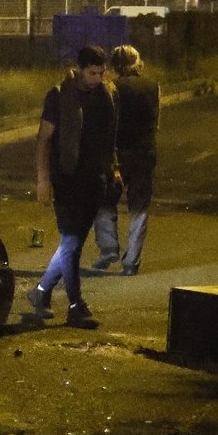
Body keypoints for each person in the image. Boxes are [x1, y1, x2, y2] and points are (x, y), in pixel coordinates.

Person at [25, 45, 118, 328]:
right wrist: (43, 179)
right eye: (92, 73)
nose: (97, 79)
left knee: (71, 242)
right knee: (72, 242)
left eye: (101, 73)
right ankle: (76, 305)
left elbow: (107, 137)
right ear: (79, 68)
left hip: (95, 180)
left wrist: (114, 169)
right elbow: (43, 140)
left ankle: (40, 293)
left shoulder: (106, 95)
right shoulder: (58, 96)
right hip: (66, 179)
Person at [91, 44, 159, 275]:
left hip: (117, 154)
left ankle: (109, 246)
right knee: (139, 208)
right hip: (144, 153)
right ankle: (131, 262)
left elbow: (105, 124)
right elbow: (155, 121)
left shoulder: (110, 88)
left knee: (103, 201)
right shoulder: (152, 86)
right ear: (137, 62)